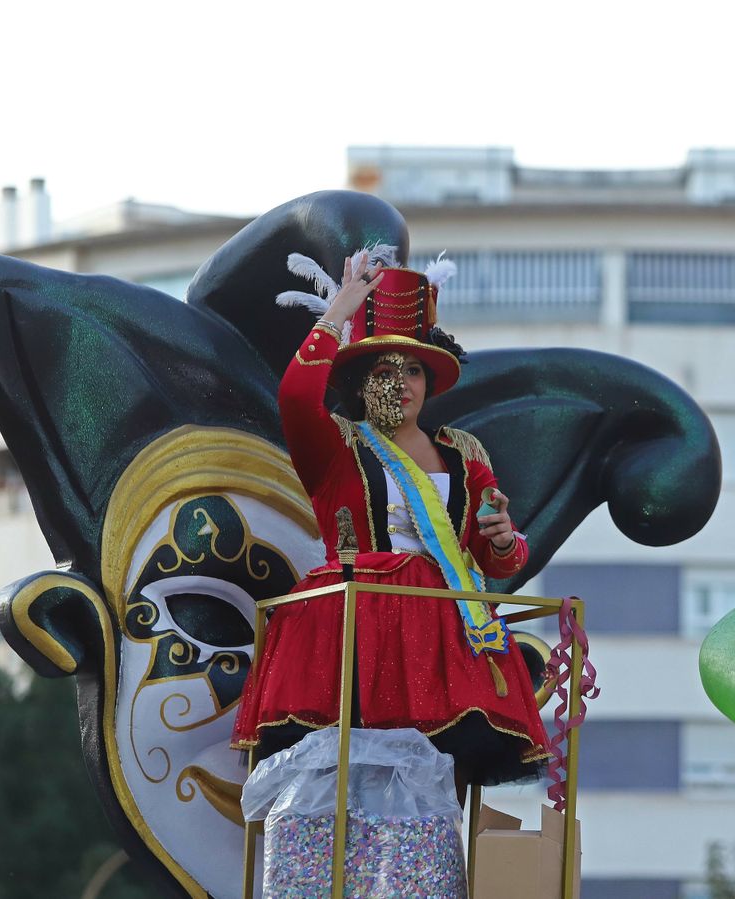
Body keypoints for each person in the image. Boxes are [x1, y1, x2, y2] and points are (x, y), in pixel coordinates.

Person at [231, 249, 552, 792]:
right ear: (359, 383)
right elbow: (293, 396)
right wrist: (339, 313)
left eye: (414, 370)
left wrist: (503, 539)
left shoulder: (464, 452)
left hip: (442, 630)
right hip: (352, 623)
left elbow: (497, 554)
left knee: (435, 781)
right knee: (341, 783)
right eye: (384, 370)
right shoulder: (337, 445)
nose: (401, 382)